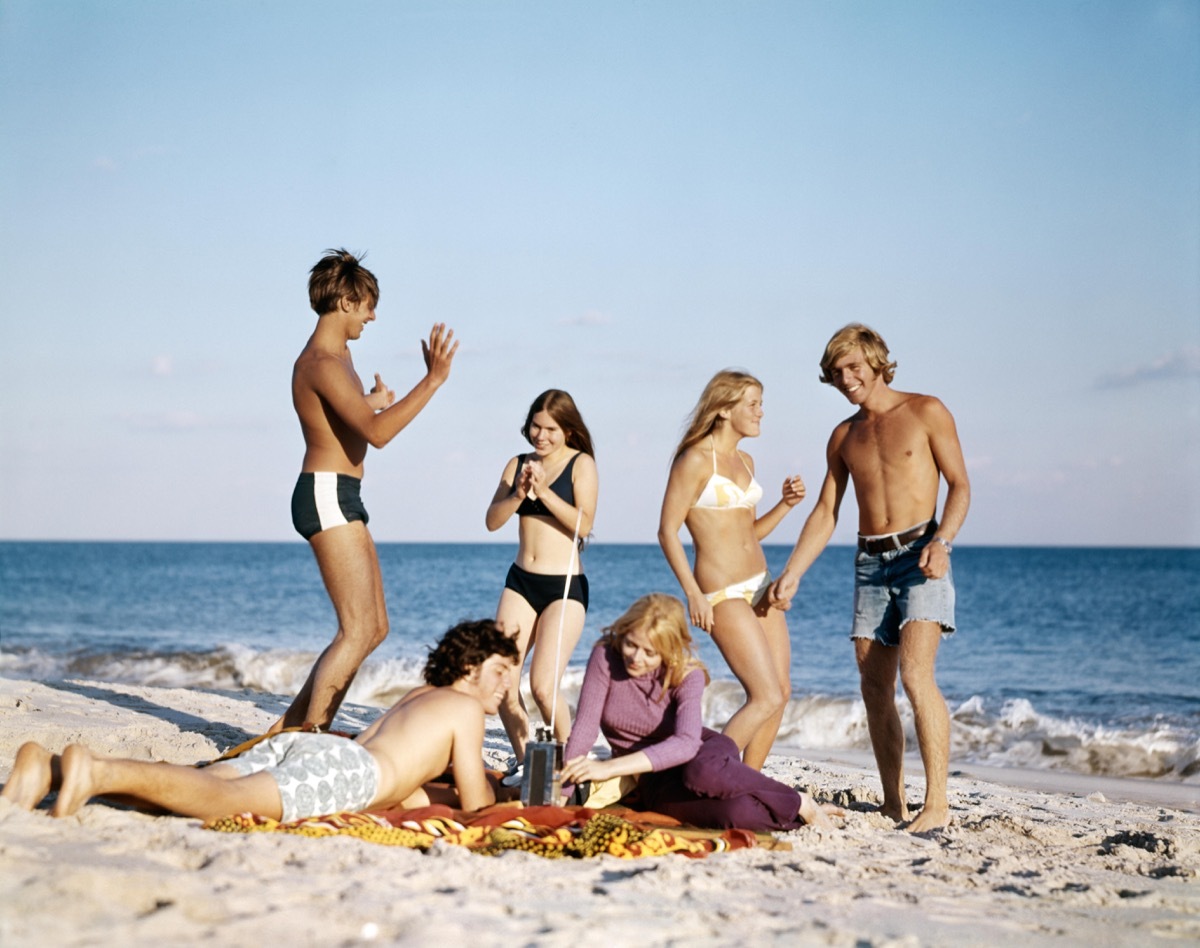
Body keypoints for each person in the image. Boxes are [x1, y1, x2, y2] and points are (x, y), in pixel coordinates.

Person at [1, 620, 520, 820]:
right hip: (347, 770)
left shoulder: (419, 694)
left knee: (192, 789)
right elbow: (477, 802)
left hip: (319, 751)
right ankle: (94, 771)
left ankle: (46, 769)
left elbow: (407, 773)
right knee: (221, 804)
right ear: (470, 668)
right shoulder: (464, 708)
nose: (504, 685)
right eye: (499, 671)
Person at [769, 324, 969, 833]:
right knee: (873, 686)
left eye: (853, 367)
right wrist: (792, 572)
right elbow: (825, 512)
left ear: (877, 362)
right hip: (869, 564)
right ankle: (893, 803)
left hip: (922, 553)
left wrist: (943, 541)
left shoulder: (927, 411)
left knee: (915, 676)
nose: (846, 378)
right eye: (836, 373)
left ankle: (938, 803)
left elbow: (961, 485)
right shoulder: (843, 435)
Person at [271, 248, 458, 735]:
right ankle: (309, 739)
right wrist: (433, 381)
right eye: (368, 305)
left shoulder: (341, 359)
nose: (372, 316)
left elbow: (352, 417)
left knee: (375, 627)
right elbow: (376, 434)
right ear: (347, 300)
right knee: (356, 630)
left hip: (341, 493)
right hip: (326, 493)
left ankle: (291, 732)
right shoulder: (321, 362)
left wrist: (373, 401)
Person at [560, 594, 838, 831]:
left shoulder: (686, 673)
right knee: (735, 813)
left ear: (668, 651)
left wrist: (608, 767)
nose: (636, 657)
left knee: (701, 771)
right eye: (631, 644)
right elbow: (585, 728)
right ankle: (795, 810)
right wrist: (562, 793)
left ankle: (800, 802)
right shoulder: (606, 656)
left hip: (705, 753)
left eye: (649, 652)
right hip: (654, 779)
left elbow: (686, 743)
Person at [657, 370, 804, 770]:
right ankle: (708, 772)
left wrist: (785, 505)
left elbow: (749, 533)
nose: (761, 412)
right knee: (766, 694)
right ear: (723, 409)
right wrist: (693, 593)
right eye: (752, 404)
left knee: (782, 690)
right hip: (720, 592)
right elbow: (667, 531)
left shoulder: (745, 460)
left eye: (761, 403)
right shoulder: (694, 460)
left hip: (761, 586)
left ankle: (747, 779)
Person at [485, 390, 598, 774]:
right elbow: (492, 520)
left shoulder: (581, 465)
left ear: (568, 429)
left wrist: (545, 492)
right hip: (521, 582)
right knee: (500, 678)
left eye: (550, 428)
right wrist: (519, 493)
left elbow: (585, 524)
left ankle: (572, 764)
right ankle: (524, 762)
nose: (541, 435)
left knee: (543, 686)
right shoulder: (517, 464)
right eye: (536, 425)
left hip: (564, 587)